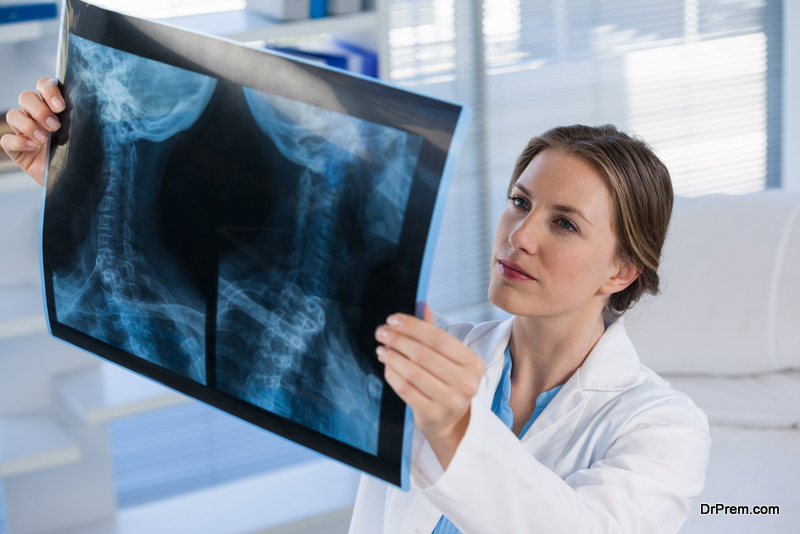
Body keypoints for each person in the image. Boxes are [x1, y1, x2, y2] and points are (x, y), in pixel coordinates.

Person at [3, 79, 711, 534]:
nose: (518, 235)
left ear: (621, 270)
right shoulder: (436, 346)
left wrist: (454, 422)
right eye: (519, 202)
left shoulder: (665, 427)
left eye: (564, 223)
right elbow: (268, 312)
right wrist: (76, 178)